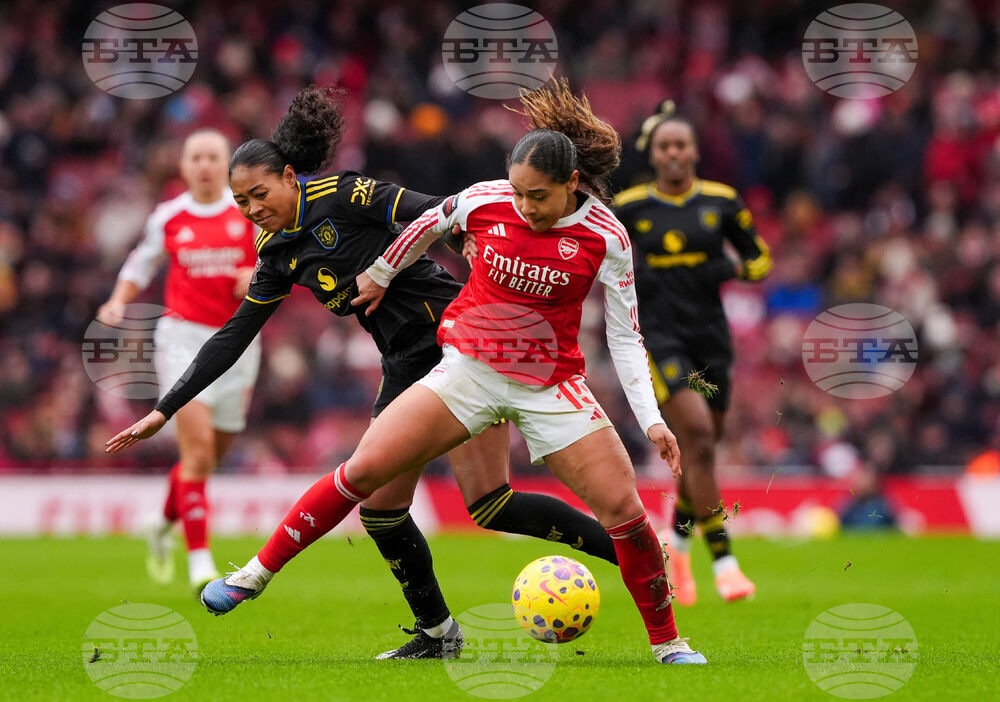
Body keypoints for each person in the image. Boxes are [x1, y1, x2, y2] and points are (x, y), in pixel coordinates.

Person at [109, 80, 707, 665]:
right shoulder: (280, 253)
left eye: (256, 194)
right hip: (434, 362)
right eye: (240, 202)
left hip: (471, 347)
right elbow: (234, 333)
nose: (250, 209)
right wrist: (166, 405)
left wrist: (430, 258)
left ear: (289, 176)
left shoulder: (348, 194)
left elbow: (429, 213)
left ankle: (653, 614)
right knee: (435, 503)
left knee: (475, 503)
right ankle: (421, 625)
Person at [612, 101, 773, 605]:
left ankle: (677, 544)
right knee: (698, 435)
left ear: (695, 151)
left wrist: (732, 270)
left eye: (681, 144)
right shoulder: (632, 207)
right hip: (660, 339)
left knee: (704, 450)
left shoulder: (722, 202)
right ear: (654, 155)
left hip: (712, 340)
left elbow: (760, 259)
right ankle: (725, 563)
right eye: (665, 146)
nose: (674, 153)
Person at [97, 129, 260, 591]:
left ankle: (161, 522)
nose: (205, 164)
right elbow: (139, 264)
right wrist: (117, 300)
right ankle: (200, 562)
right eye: (196, 157)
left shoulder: (247, 210)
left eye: (213, 157)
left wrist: (257, 271)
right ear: (184, 166)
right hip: (181, 339)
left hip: (239, 341)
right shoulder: (168, 216)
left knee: (212, 456)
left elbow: (282, 259)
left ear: (226, 164)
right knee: (199, 452)